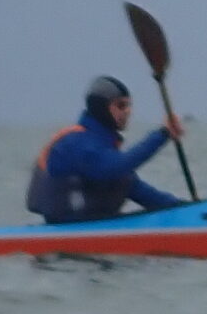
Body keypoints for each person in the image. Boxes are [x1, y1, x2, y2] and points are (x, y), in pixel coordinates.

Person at [26, 76, 189, 223]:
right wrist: (163, 134)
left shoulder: (103, 146)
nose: (128, 112)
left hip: (94, 221)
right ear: (101, 108)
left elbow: (136, 189)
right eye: (121, 106)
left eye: (128, 106)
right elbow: (114, 168)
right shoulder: (75, 142)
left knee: (126, 181)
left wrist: (182, 207)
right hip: (69, 225)